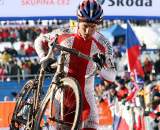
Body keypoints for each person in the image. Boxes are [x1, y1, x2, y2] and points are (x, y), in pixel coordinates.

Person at [34, 0, 116, 129]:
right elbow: (39, 40)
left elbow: (112, 76)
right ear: (78, 21)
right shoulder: (65, 33)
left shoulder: (104, 43)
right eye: (85, 26)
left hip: (86, 93)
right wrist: (44, 58)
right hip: (62, 91)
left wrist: (99, 67)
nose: (88, 31)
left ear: (98, 25)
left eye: (93, 27)